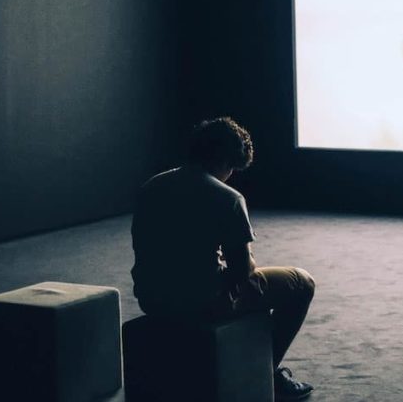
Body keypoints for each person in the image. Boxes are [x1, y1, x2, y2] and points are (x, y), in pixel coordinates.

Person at [130, 117, 315, 400]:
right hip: (202, 302)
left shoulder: (151, 187)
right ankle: (265, 373)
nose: (231, 175)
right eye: (232, 167)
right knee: (301, 283)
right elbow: (243, 271)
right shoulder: (227, 197)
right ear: (226, 159)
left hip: (152, 298)